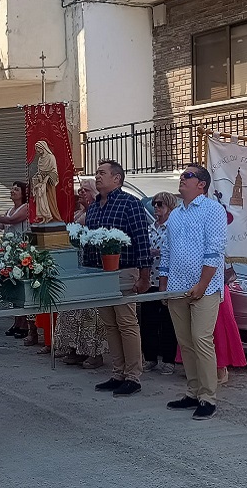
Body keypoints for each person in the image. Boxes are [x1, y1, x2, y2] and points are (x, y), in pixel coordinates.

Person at [159, 164, 227, 420]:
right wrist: (163, 286)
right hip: (177, 287)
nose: (181, 179)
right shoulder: (175, 214)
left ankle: (208, 397)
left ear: (201, 184)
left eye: (187, 176)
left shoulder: (213, 210)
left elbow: (215, 250)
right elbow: (166, 251)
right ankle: (193, 391)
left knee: (201, 339)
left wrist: (202, 284)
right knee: (185, 343)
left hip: (205, 287)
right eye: (181, 175)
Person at [84, 160, 152, 398]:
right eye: (97, 172)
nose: (97, 176)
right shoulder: (93, 208)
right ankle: (118, 373)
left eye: (102, 173)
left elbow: (142, 240)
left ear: (117, 179)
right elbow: (90, 243)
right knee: (109, 324)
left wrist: (145, 275)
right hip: (100, 275)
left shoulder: (130, 204)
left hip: (124, 270)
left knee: (126, 322)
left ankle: (133, 376)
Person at [57, 179, 107, 369]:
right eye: (80, 190)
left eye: (85, 190)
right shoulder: (78, 213)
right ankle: (73, 348)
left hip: (93, 264)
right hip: (76, 264)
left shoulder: (96, 211)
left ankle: (94, 352)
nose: (81, 193)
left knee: (91, 312)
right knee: (71, 309)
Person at [139, 191, 179, 375]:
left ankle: (169, 360)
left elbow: (176, 253)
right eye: (154, 204)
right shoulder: (149, 229)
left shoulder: (174, 228)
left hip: (170, 281)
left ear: (170, 207)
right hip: (150, 280)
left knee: (168, 322)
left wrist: (160, 253)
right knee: (148, 321)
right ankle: (150, 358)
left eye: (160, 204)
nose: (156, 208)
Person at [0, 181, 31, 338]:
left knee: (22, 288)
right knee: (14, 287)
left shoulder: (26, 207)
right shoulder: (10, 209)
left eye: (16, 189)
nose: (13, 191)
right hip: (9, 252)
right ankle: (17, 321)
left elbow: (11, 221)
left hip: (22, 251)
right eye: (12, 188)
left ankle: (25, 324)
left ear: (23, 193)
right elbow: (0, 226)